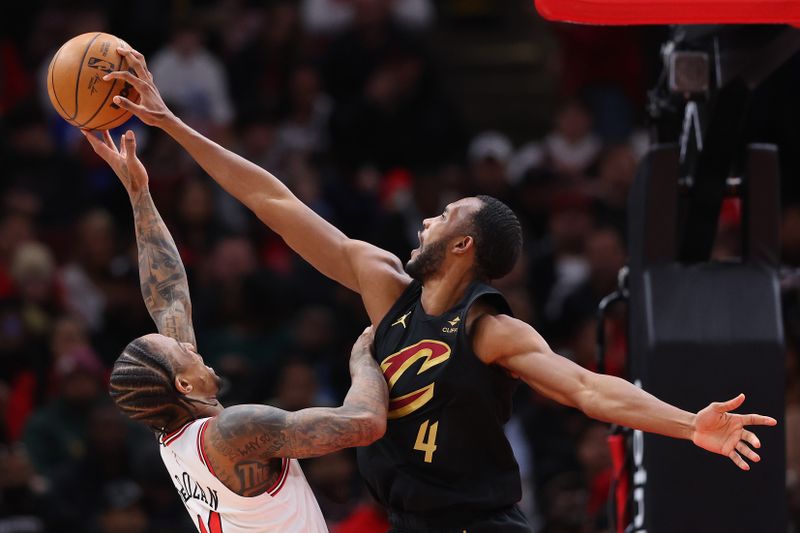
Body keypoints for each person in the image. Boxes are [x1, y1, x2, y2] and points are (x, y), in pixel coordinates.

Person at [103, 47, 778, 532]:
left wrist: (689, 423)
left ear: (464, 246)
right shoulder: (381, 285)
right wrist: (170, 125)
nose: (427, 217)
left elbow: (588, 388)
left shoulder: (490, 331)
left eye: (444, 215)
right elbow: (273, 201)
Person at [81, 128, 388, 533]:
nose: (189, 347)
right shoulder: (234, 430)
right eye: (181, 352)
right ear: (184, 386)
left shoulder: (173, 430)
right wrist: (363, 358)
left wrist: (139, 193)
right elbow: (364, 423)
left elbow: (169, 297)